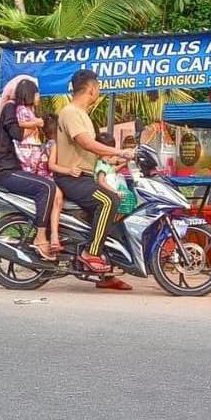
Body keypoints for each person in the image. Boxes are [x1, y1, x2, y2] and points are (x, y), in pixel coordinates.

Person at [53, 69, 135, 281]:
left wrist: (119, 158)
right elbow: (87, 144)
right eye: (98, 87)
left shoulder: (82, 115)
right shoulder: (70, 113)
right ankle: (91, 253)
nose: (98, 90)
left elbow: (97, 149)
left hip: (84, 177)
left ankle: (108, 274)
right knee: (109, 200)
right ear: (91, 88)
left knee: (117, 208)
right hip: (72, 178)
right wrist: (119, 151)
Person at [0, 76, 60, 261]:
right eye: (37, 93)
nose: (39, 96)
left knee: (54, 185)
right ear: (29, 93)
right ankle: (40, 237)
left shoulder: (24, 112)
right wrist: (36, 124)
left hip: (18, 169)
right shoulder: (10, 107)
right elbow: (17, 133)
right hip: (7, 170)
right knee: (46, 187)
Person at [40, 113, 81, 254]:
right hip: (49, 178)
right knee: (58, 202)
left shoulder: (49, 144)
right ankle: (54, 237)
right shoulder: (54, 144)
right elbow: (51, 166)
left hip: (48, 177)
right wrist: (69, 170)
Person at [94, 133, 137, 217]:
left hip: (112, 190)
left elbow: (112, 170)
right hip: (109, 192)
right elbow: (101, 181)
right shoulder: (101, 165)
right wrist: (115, 192)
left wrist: (124, 164)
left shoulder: (106, 163)